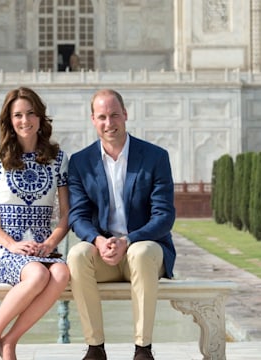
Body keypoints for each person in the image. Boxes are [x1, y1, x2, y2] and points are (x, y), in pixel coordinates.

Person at [67, 89, 176, 360]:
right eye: (102, 117)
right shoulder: (81, 162)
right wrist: (98, 240)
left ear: (125, 114)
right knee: (77, 255)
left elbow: (164, 216)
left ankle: (142, 349)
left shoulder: (154, 157)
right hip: (105, 254)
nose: (109, 123)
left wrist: (128, 240)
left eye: (114, 115)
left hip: (146, 252)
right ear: (93, 119)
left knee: (139, 252)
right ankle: (95, 348)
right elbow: (77, 216)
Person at [0, 87, 70, 360]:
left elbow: (66, 214)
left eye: (30, 113)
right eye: (17, 115)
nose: (24, 120)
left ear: (41, 118)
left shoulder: (58, 160)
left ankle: (9, 341)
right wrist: (12, 245)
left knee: (62, 274)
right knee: (39, 275)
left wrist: (51, 243)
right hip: (8, 250)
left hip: (43, 250)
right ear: (9, 120)